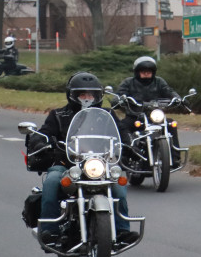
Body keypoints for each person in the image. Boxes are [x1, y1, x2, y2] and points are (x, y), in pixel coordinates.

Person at [30, 72, 137, 245]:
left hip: (101, 165)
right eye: (82, 94)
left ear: (98, 96)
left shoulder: (106, 114)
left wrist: (129, 143)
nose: (87, 98)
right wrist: (39, 142)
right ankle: (50, 230)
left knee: (119, 187)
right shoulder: (58, 115)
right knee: (51, 181)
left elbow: (121, 132)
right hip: (67, 165)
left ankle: (123, 230)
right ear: (72, 95)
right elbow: (45, 132)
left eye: (91, 94)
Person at [116, 56, 182, 164]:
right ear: (137, 72)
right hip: (135, 116)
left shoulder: (159, 82)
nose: (146, 73)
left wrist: (177, 99)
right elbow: (119, 95)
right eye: (143, 71)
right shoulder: (128, 82)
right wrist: (119, 100)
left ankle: (175, 158)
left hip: (155, 116)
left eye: (149, 71)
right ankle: (127, 154)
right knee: (123, 126)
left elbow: (168, 91)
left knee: (171, 125)